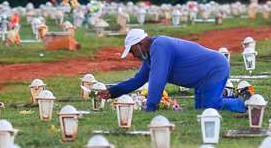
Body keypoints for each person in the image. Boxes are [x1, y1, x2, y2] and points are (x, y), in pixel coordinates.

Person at [98, 29, 246, 113]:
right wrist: (113, 91)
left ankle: (245, 104)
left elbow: (158, 79)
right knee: (202, 109)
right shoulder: (150, 56)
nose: (134, 55)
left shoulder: (160, 46)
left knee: (211, 107)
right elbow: (138, 80)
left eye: (132, 51)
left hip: (215, 68)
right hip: (204, 78)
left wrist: (150, 107)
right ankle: (238, 101)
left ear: (140, 44)